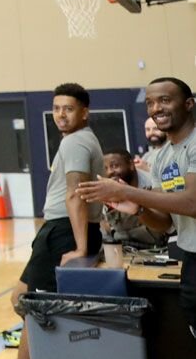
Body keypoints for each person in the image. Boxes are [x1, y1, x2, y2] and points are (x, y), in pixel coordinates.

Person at [77, 77, 195, 340]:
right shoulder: (163, 158)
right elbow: (166, 223)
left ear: (188, 104)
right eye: (151, 103)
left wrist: (127, 191)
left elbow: (192, 202)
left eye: (165, 100)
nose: (156, 108)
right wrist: (138, 209)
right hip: (191, 256)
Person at [10, 83, 103, 359]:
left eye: (69, 109)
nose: (61, 114)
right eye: (56, 108)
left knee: (33, 307)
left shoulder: (74, 142)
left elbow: (75, 194)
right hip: (60, 230)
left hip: (64, 232)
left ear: (84, 112)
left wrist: (80, 248)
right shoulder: (79, 139)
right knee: (22, 299)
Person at [99, 151, 166, 249]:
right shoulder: (108, 187)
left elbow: (163, 224)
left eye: (114, 166)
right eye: (105, 169)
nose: (109, 172)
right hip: (125, 247)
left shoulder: (152, 183)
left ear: (131, 164)